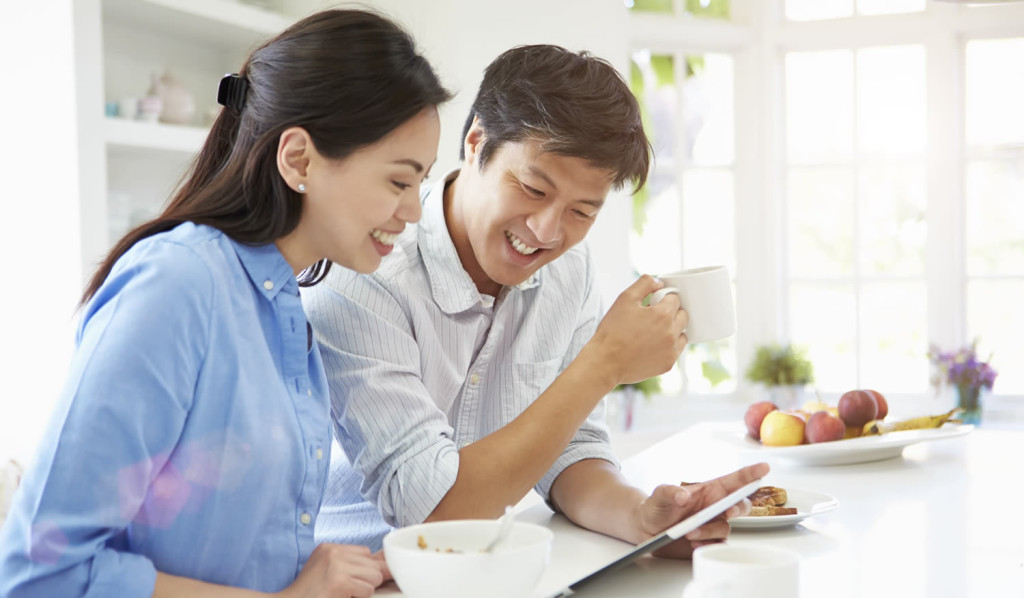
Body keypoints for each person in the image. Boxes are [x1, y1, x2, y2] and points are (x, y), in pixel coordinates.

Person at [0, 9, 449, 598]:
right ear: (299, 160)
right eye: (398, 181)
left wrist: (334, 569)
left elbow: (218, 546)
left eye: (421, 183)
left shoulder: (287, 310)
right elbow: (42, 574)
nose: (415, 210)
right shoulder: (177, 286)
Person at [303, 44, 768, 558]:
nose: (548, 231)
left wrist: (643, 519)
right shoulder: (366, 273)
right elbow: (431, 513)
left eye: (582, 211)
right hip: (364, 578)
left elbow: (570, 450)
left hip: (495, 569)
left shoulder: (570, 270)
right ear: (476, 143)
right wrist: (604, 362)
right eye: (531, 188)